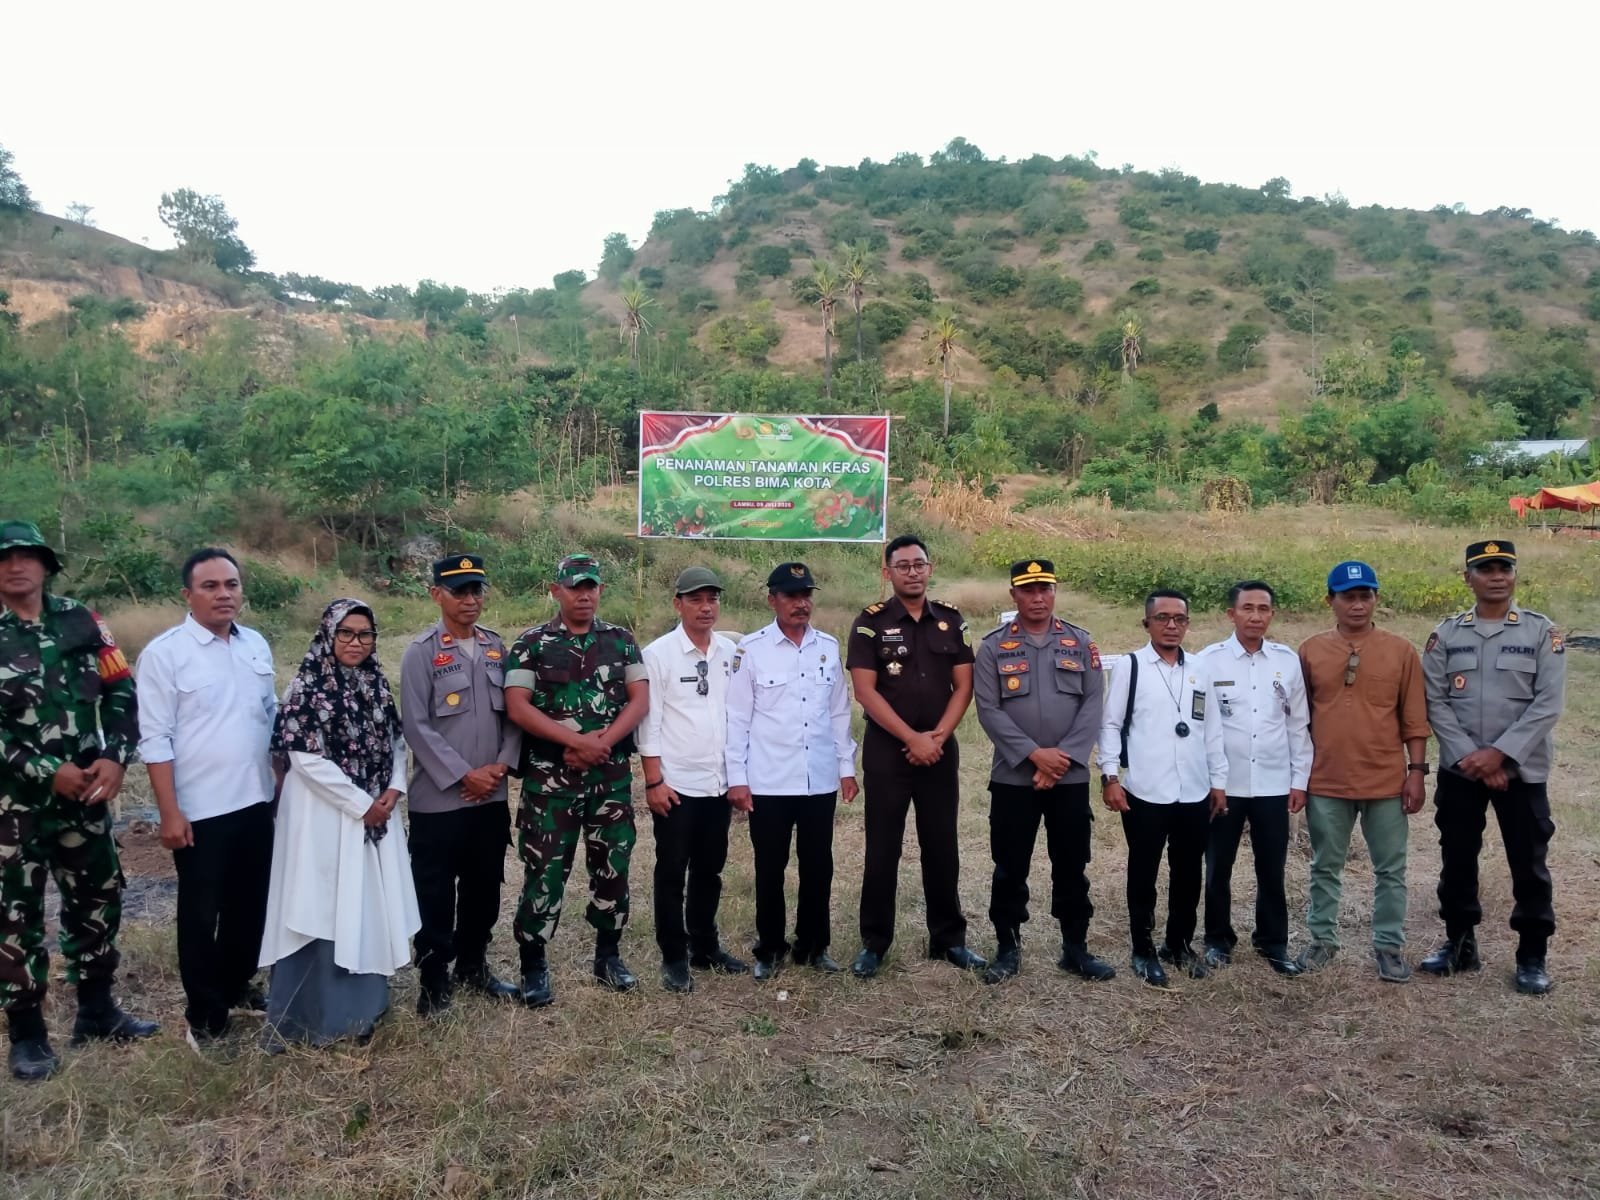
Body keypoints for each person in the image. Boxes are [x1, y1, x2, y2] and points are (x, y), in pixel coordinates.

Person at [0, 520, 158, 1081]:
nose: (16, 565)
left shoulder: (83, 621)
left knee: (97, 899)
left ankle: (97, 1012)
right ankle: (27, 1035)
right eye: (5, 558)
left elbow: (122, 690)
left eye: (27, 556)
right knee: (15, 917)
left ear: (46, 565)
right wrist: (48, 771)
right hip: (13, 808)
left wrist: (115, 757)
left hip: (87, 795)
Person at [259, 598, 421, 1048]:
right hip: (321, 817)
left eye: (365, 634)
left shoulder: (375, 683)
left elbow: (396, 742)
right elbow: (305, 758)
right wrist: (360, 804)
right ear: (329, 635)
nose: (356, 642)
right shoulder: (307, 687)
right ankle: (314, 1018)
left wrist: (393, 790)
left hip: (374, 816)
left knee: (365, 901)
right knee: (322, 904)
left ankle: (363, 1010)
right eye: (346, 633)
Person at [136, 548, 279, 1048]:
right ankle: (205, 1014)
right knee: (201, 914)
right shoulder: (165, 654)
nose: (224, 594)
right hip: (200, 811)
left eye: (231, 584)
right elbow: (155, 739)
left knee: (251, 906)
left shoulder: (255, 644)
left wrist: (282, 782)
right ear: (188, 594)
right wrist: (169, 812)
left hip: (256, 800)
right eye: (211, 586)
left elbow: (270, 715)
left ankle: (237, 985)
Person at [1419, 541, 1565, 995]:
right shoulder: (1446, 635)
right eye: (1486, 569)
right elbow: (1435, 702)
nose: (1497, 576)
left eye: (1505, 568)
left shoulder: (1542, 632)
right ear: (1468, 578)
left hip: (1521, 771)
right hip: (1462, 770)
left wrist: (1500, 755)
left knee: (1529, 863)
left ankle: (1532, 956)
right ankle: (1460, 944)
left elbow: (1548, 704)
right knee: (1457, 858)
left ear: (1515, 575)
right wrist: (1472, 757)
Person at [504, 553, 649, 1007]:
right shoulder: (531, 643)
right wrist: (574, 740)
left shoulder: (622, 641)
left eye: (591, 586)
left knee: (613, 868)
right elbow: (517, 705)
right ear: (556, 591)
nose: (583, 595)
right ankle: (533, 966)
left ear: (600, 590)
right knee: (544, 872)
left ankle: (609, 957)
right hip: (551, 783)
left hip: (610, 779)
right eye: (574, 587)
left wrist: (601, 743)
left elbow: (640, 700)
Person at [846, 535, 985, 979]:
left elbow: (964, 685)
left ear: (930, 568)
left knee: (942, 846)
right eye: (902, 565)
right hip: (888, 751)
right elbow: (865, 691)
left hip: (939, 751)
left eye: (919, 564)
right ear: (887, 572)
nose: (912, 572)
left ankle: (949, 940)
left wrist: (937, 737)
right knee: (882, 848)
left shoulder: (951, 620)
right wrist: (912, 738)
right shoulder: (869, 623)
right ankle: (874, 943)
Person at [972, 559, 1115, 986]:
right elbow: (989, 710)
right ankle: (1007, 948)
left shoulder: (1080, 642)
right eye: (1029, 590)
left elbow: (1092, 705)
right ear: (1013, 595)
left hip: (1069, 778)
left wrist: (1061, 760)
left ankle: (1075, 949)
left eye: (1045, 589)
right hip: (1014, 777)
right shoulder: (994, 647)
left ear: (1054, 592)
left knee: (1071, 865)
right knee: (1009, 866)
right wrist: (1035, 756)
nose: (1038, 598)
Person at [400, 554, 522, 1017]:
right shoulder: (421, 652)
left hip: (490, 796)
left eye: (476, 590)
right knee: (434, 893)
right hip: (439, 801)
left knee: (484, 887)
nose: (470, 600)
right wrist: (463, 774)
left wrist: (501, 766)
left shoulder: (496, 647)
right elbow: (416, 725)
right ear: (437, 595)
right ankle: (433, 981)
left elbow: (513, 714)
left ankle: (473, 966)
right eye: (459, 591)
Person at [1296, 561, 1430, 983]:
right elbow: (1297, 719)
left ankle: (1389, 945)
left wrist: (1417, 771)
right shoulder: (1310, 651)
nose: (1357, 604)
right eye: (1348, 597)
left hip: (1386, 781)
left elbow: (1414, 718)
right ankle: (1322, 940)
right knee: (1324, 865)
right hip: (1327, 780)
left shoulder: (1401, 651)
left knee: (1390, 869)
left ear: (1376, 599)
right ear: (1330, 601)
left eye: (1365, 596)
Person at [725, 562, 858, 981]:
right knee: (770, 868)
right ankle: (769, 949)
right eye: (791, 596)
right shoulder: (751, 650)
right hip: (769, 779)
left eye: (806, 596)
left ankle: (813, 946)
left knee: (819, 866)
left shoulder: (827, 647)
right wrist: (737, 778)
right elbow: (737, 718)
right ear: (773, 600)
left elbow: (839, 712)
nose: (801, 604)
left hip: (818, 777)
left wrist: (846, 767)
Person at [1099, 589, 1227, 988]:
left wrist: (1219, 782)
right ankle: (1143, 949)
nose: (1172, 625)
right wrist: (1110, 776)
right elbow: (1110, 724)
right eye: (1162, 618)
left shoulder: (1200, 669)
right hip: (1146, 790)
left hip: (1194, 790)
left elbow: (1212, 730)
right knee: (1144, 873)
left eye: (1180, 619)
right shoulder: (1131, 666)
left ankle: (1179, 944)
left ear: (1188, 623)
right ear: (1147, 623)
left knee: (1188, 873)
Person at [637, 566, 748, 993]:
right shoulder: (658, 654)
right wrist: (654, 782)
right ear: (677, 604)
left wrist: (738, 778)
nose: (706, 608)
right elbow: (649, 723)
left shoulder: (730, 651)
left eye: (712, 599)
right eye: (696, 600)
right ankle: (674, 955)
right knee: (671, 872)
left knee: (709, 870)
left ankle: (704, 946)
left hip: (717, 783)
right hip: (676, 785)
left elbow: (737, 714)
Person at [1195, 581, 1311, 976]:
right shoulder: (1208, 661)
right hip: (1224, 785)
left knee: (1272, 868)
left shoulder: (1287, 661)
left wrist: (1299, 780)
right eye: (1248, 608)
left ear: (1272, 614)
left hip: (1273, 783)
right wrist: (1211, 780)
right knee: (1218, 868)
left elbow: (1298, 725)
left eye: (1263, 609)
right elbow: (1202, 726)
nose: (1256, 616)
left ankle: (1273, 942)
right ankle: (1217, 940)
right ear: (1232, 614)